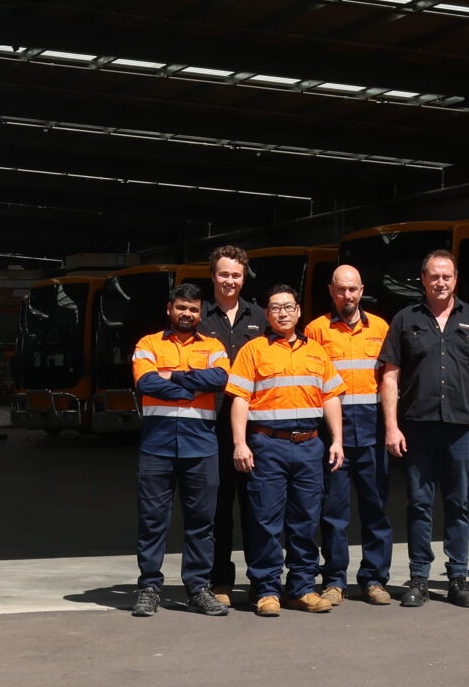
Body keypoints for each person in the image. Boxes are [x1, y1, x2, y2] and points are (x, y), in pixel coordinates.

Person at [377, 249, 469, 608]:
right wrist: (391, 427)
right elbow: (390, 376)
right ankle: (419, 578)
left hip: (461, 428)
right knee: (419, 503)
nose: (441, 282)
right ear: (423, 279)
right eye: (434, 276)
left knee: (458, 504)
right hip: (417, 427)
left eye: (447, 276)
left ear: (456, 279)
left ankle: (458, 578)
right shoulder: (405, 319)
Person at [225, 285, 345, 616]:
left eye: (289, 307)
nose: (283, 313)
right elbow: (240, 399)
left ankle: (302, 588)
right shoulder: (253, 350)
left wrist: (337, 440)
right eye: (276, 307)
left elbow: (331, 398)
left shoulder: (316, 352)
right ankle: (267, 590)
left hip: (309, 445)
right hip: (267, 446)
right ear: (267, 314)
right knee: (265, 520)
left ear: (298, 311)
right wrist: (239, 443)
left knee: (305, 521)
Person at [128, 282, 233, 617]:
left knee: (202, 523)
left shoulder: (213, 346)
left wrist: (171, 378)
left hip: (200, 447)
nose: (187, 314)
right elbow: (146, 382)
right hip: (157, 448)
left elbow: (220, 379)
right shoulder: (148, 344)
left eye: (193, 309)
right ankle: (149, 588)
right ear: (169, 309)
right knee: (152, 521)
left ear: (200, 313)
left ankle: (198, 589)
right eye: (181, 308)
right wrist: (190, 385)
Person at [308, 264, 392, 604]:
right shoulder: (315, 330)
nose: (347, 295)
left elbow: (390, 380)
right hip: (334, 436)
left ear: (362, 290)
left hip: (373, 432)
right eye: (341, 289)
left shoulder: (381, 328)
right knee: (333, 514)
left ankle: (374, 580)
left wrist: (392, 426)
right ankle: (335, 580)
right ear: (331, 291)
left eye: (353, 289)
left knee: (376, 510)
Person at [202, 246, 272, 603]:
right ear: (212, 275)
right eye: (224, 274)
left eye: (236, 275)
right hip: (210, 426)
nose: (230, 281)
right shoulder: (198, 316)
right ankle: (220, 581)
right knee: (217, 507)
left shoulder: (260, 316)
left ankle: (261, 581)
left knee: (257, 506)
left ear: (244, 278)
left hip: (253, 426)